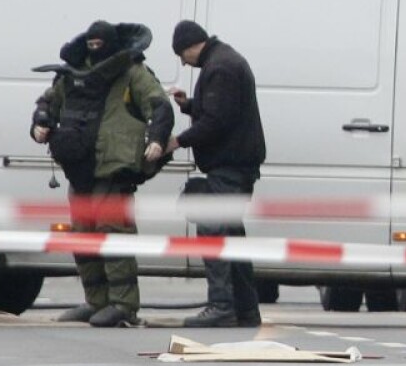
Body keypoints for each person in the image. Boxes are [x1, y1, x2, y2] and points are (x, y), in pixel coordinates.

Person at [31, 20, 173, 327]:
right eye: (91, 44)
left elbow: (159, 106)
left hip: (113, 168)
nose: (96, 49)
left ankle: (123, 305)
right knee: (82, 235)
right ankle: (96, 301)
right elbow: (48, 103)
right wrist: (40, 123)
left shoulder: (131, 71)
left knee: (114, 235)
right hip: (79, 166)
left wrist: (158, 140)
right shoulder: (71, 74)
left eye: (100, 43)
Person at [166, 21, 266, 328]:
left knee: (213, 233)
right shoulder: (225, 60)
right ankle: (246, 310)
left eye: (182, 54)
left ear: (192, 45)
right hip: (237, 167)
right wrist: (189, 106)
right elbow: (220, 110)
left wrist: (178, 141)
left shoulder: (219, 68)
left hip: (228, 168)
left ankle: (221, 305)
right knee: (232, 238)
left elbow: (217, 122)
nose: (183, 62)